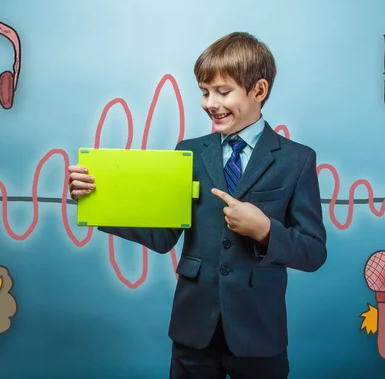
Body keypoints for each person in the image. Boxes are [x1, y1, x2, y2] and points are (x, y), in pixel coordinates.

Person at [68, 32, 327, 379]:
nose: (210, 103)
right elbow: (163, 236)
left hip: (259, 332)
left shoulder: (297, 160)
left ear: (259, 91)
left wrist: (265, 230)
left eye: (223, 91)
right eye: (205, 92)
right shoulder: (188, 152)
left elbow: (313, 252)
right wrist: (95, 202)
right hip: (194, 330)